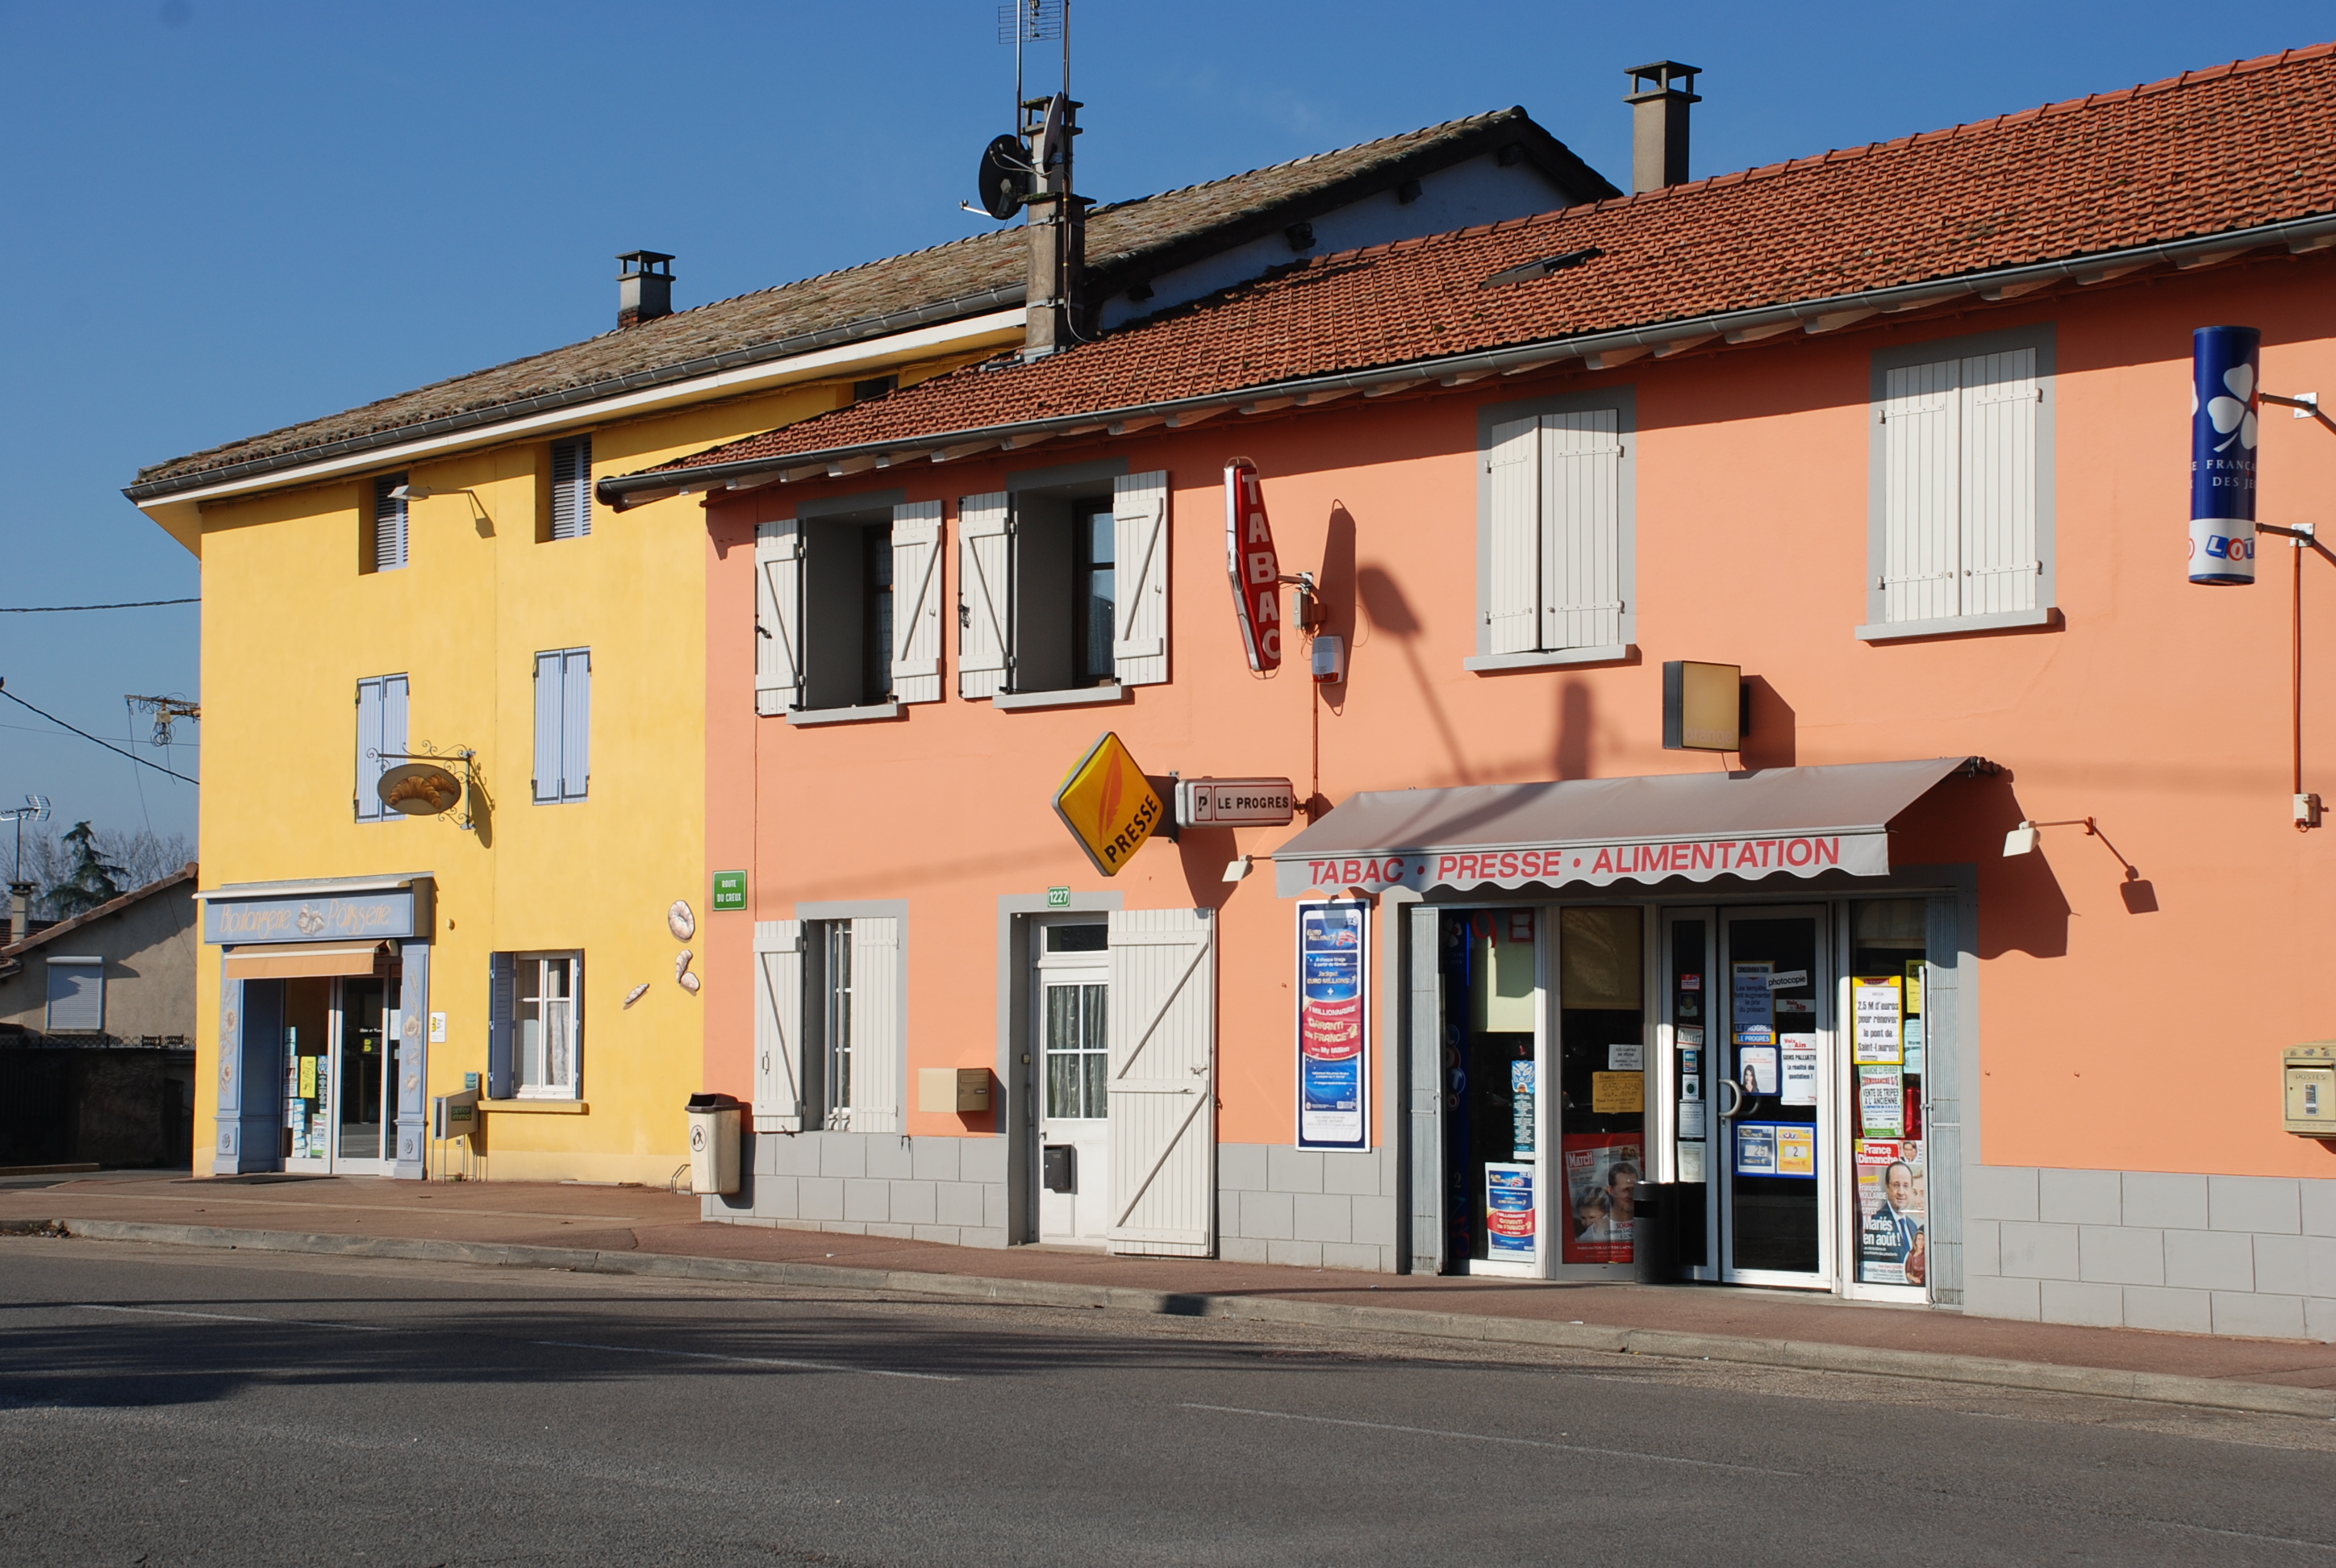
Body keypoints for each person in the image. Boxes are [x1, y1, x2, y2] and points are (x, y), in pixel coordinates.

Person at [1864, 1159, 1925, 1280]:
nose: (1901, 1192)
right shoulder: (1877, 1222)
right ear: (1887, 1187)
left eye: (1906, 1186)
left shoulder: (1912, 1226)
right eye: (1896, 1185)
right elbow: (1870, 1271)